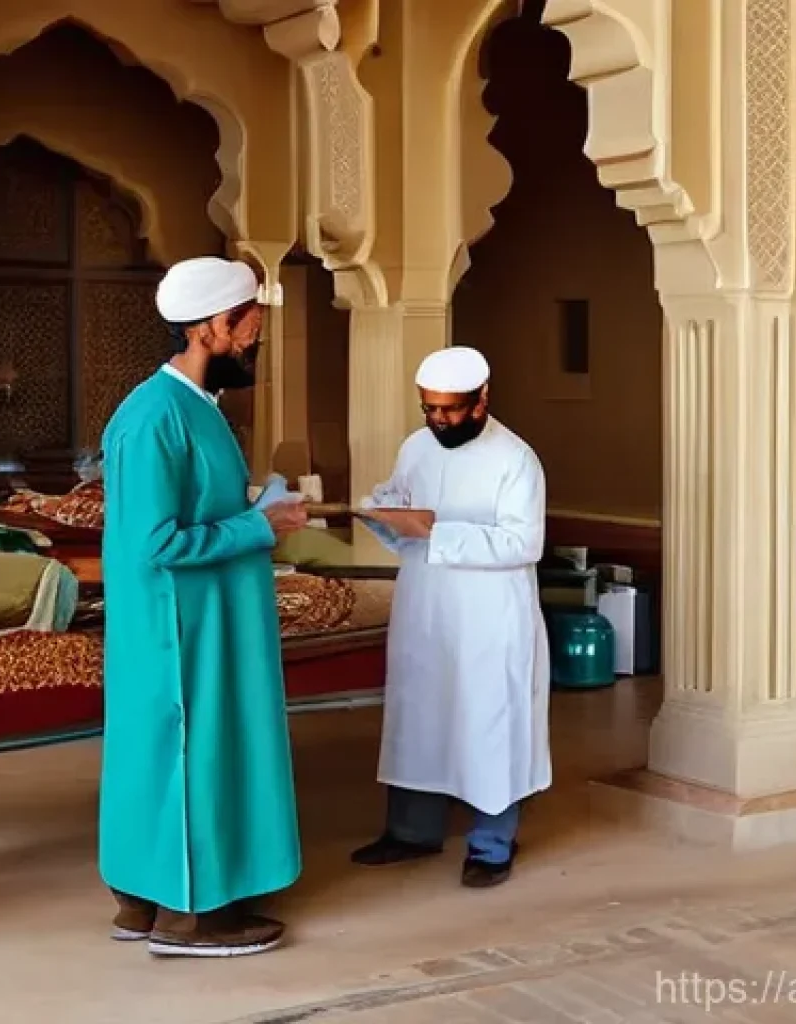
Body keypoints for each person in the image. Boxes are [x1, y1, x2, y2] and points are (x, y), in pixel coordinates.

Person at [99, 257, 307, 958]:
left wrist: (255, 509)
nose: (255, 340)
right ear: (215, 327)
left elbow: (197, 509)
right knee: (186, 756)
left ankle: (147, 900)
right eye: (250, 326)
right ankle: (190, 917)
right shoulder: (156, 416)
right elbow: (155, 541)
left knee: (171, 758)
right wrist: (260, 527)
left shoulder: (194, 409)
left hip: (206, 619)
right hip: (179, 630)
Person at [351, 346, 550, 888]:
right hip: (426, 607)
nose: (439, 420)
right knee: (420, 716)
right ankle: (411, 833)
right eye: (430, 409)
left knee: (490, 725)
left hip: (490, 618)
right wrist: (381, 511)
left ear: (482, 399)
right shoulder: (416, 446)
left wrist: (435, 532)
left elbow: (524, 541)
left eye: (452, 410)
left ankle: (491, 845)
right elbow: (403, 505)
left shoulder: (516, 459)